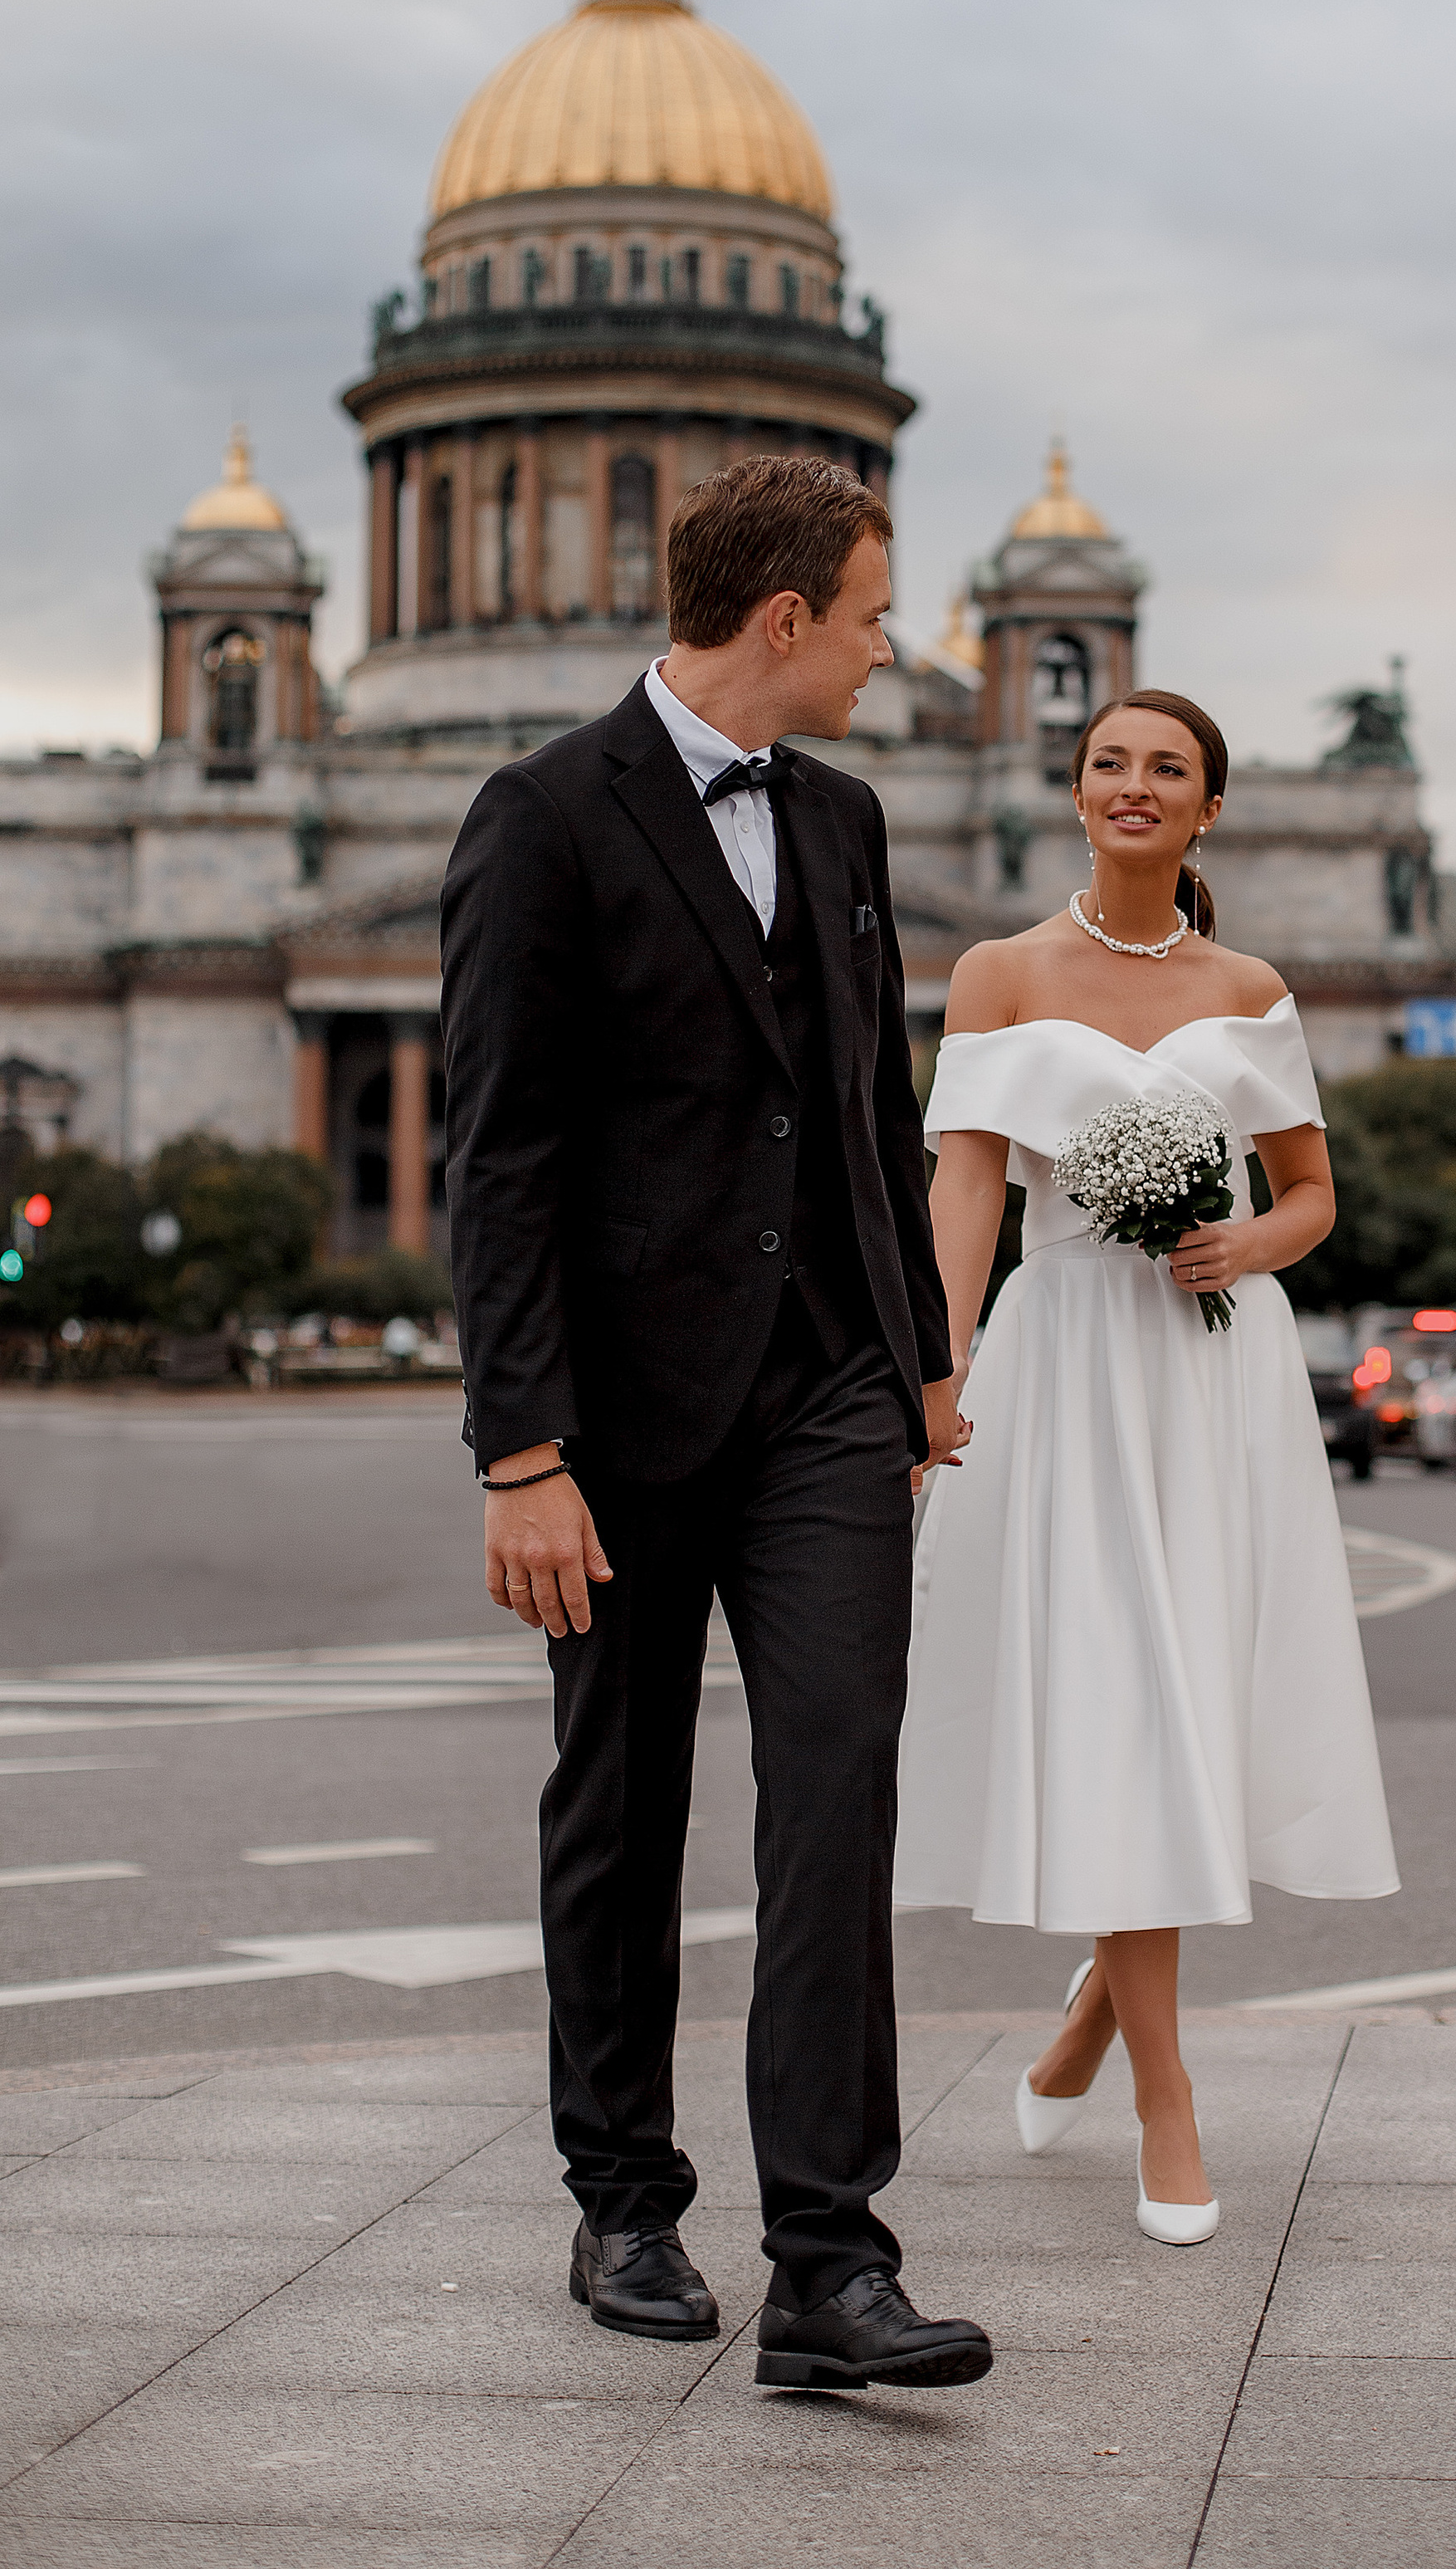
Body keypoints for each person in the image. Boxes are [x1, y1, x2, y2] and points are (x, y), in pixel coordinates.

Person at [441, 453, 990, 2392]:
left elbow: (867, 1115)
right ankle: (624, 2195)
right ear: (782, 620)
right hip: (617, 1413)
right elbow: (496, 1156)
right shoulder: (537, 820)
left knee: (834, 1790)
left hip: (829, 1392)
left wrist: (919, 1356)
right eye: (863, 615)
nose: (881, 647)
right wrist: (522, 1452)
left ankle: (829, 2263)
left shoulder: (841, 823)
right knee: (622, 1802)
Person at [897, 688, 1398, 2239]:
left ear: (1206, 811)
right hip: (1062, 1378)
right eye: (1110, 763)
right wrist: (939, 1368)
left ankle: (1098, 2021)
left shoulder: (1250, 987)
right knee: (1117, 1703)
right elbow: (966, 1190)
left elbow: (1311, 1197)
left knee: (1187, 1703)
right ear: (1076, 789)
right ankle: (1167, 2104)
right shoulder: (994, 973)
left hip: (1210, 1374)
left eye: (1166, 769)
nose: (1134, 786)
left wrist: (1242, 1238)